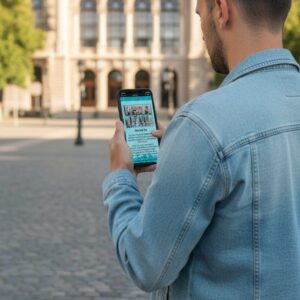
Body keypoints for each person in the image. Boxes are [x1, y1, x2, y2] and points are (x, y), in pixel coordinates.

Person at [103, 0, 300, 299]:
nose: (202, 31)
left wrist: (120, 175)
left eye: (200, 14)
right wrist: (192, 146)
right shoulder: (204, 129)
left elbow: (145, 264)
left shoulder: (204, 123)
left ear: (221, 10)